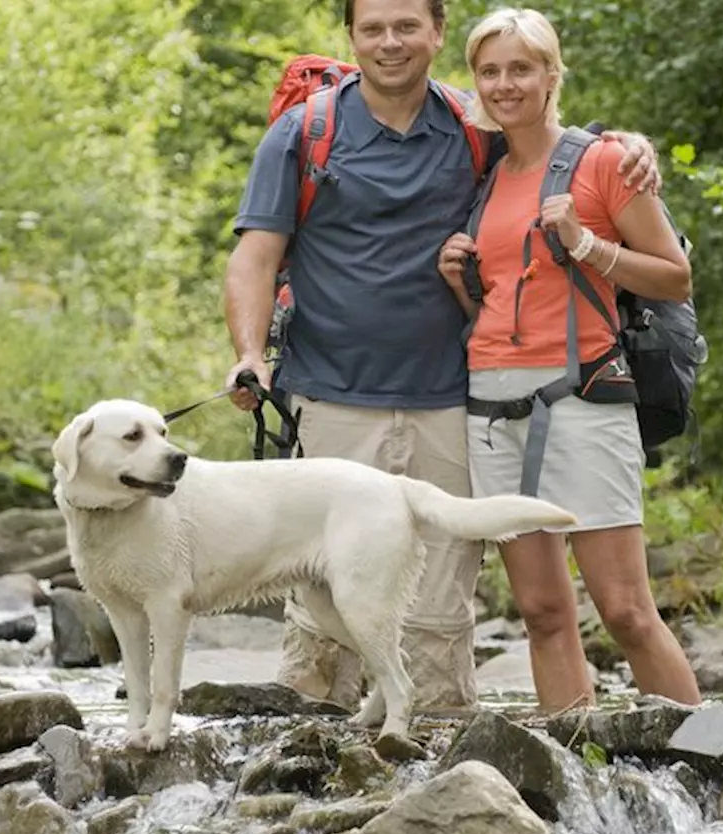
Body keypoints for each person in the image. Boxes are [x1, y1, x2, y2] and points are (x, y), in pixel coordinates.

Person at [222, 0, 663, 715]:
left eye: (406, 27)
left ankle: (432, 763)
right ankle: (304, 778)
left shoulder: (472, 127)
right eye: (373, 28)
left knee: (436, 600)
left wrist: (628, 143)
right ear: (352, 37)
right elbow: (255, 257)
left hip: (455, 403)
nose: (389, 43)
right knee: (324, 599)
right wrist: (248, 353)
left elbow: (552, 148)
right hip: (330, 398)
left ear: (436, 33)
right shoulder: (306, 134)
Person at [437, 6, 702, 711]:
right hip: (492, 408)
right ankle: (576, 783)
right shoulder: (487, 175)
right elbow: (502, 305)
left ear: (553, 74)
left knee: (625, 611)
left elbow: (674, 276)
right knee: (545, 614)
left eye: (521, 68)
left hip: (585, 397)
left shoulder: (605, 161)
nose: (504, 84)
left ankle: (713, 763)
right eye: (489, 71)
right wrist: (457, 281)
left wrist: (586, 243)